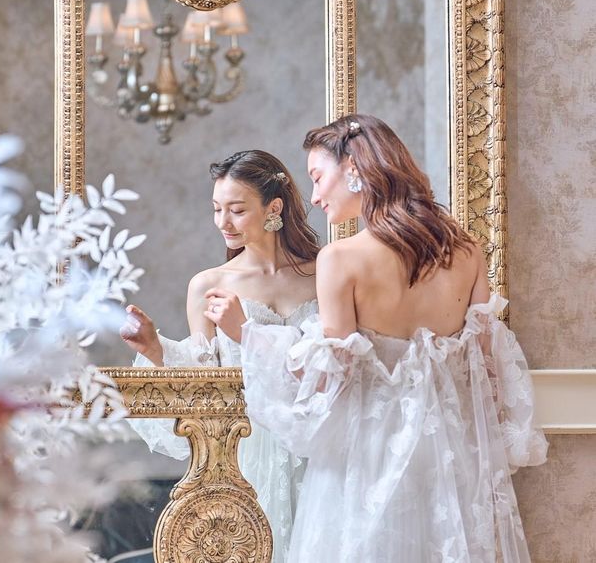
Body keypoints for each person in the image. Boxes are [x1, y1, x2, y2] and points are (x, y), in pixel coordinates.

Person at [213, 115, 548, 563]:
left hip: (364, 462)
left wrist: (248, 334)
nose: (315, 196)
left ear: (353, 168)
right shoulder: (467, 251)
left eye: (318, 177)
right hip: (448, 461)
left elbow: (328, 381)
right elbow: (486, 372)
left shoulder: (340, 259)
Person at [120, 149, 319, 563]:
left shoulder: (324, 275)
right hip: (245, 453)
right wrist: (155, 349)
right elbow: (203, 381)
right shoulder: (208, 285)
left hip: (318, 448)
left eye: (237, 210)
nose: (222, 222)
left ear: (274, 208)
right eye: (216, 209)